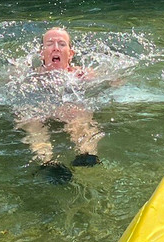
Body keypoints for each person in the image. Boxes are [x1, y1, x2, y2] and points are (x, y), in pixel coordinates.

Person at [16, 27, 103, 182]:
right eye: (50, 44)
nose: (56, 47)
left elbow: (112, 81)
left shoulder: (82, 74)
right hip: (40, 105)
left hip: (69, 108)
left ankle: (86, 154)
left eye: (62, 44)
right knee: (29, 117)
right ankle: (47, 162)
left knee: (78, 113)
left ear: (70, 54)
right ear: (42, 53)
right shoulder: (31, 77)